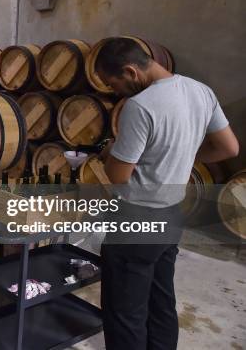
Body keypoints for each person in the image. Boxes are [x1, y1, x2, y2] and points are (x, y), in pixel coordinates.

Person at [95, 37, 239, 350]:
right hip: (172, 216)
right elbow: (230, 147)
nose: (115, 91)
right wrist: (185, 154)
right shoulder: (201, 91)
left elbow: (119, 176)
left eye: (114, 83)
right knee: (161, 303)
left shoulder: (139, 106)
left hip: (136, 222)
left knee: (125, 313)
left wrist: (111, 153)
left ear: (131, 72)